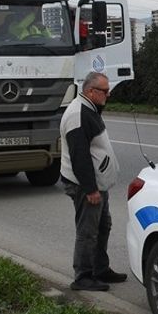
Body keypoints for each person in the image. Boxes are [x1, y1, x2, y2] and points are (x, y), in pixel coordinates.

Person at [60, 71, 126, 291]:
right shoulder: (77, 115)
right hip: (86, 185)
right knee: (88, 231)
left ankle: (100, 268)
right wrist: (90, 189)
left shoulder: (90, 108)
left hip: (98, 183)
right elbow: (80, 156)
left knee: (103, 225)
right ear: (90, 91)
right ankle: (83, 276)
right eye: (105, 91)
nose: (108, 95)